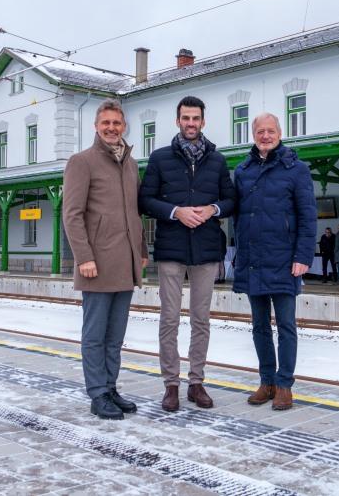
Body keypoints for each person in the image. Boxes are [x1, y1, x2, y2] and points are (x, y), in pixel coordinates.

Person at [139, 96, 235, 413]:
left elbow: (232, 200)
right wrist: (176, 211)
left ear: (203, 122)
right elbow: (145, 201)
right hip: (171, 249)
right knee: (169, 319)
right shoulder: (160, 158)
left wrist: (213, 208)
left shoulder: (217, 161)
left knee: (201, 319)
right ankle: (171, 385)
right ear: (178, 120)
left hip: (207, 249)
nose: (191, 123)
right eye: (185, 118)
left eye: (196, 118)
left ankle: (196, 382)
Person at [62, 99, 148, 420]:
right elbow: (72, 215)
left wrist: (141, 251)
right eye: (105, 123)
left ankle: (110, 387)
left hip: (124, 262)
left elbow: (134, 214)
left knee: (115, 335)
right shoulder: (81, 162)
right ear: (96, 127)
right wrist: (83, 256)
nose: (111, 128)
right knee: (95, 334)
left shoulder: (131, 163)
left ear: (124, 126)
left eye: (117, 123)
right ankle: (97, 393)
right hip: (96, 263)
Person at [233, 113, 316, 411]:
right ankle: (266, 380)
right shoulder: (243, 170)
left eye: (270, 131)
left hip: (284, 260)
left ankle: (284, 385)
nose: (265, 136)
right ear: (253, 135)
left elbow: (308, 217)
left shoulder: (296, 170)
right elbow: (237, 214)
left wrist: (303, 257)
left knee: (286, 326)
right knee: (258, 326)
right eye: (260, 131)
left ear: (280, 133)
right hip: (253, 258)